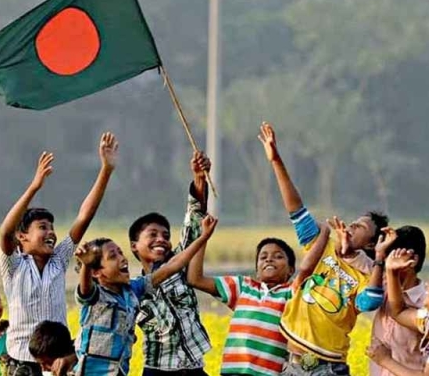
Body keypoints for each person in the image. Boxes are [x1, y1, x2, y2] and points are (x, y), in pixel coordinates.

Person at [257, 121, 384, 375]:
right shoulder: (322, 246)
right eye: (352, 222)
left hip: (328, 368)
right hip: (293, 365)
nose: (350, 226)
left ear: (371, 243)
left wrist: (375, 257)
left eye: (360, 227)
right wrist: (276, 160)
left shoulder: (368, 275)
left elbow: (369, 302)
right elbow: (296, 209)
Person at [0, 132, 117, 376]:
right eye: (42, 228)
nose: (51, 233)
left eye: (52, 227)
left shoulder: (58, 261)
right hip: (22, 360)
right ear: (22, 236)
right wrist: (35, 186)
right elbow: (6, 231)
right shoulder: (15, 265)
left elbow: (84, 217)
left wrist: (106, 170)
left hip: (58, 361)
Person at [72, 215, 218, 376]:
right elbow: (85, 290)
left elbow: (172, 266)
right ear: (96, 272)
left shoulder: (133, 290)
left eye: (121, 253)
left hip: (118, 371)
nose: (122, 259)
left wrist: (203, 237)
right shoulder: (96, 297)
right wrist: (86, 265)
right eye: (113, 256)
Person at [187, 228, 330, 375]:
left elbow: (306, 269)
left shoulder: (291, 294)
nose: (269, 259)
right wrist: (203, 238)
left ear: (291, 270)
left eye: (278, 256)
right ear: (257, 271)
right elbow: (195, 279)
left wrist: (324, 234)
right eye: (263, 257)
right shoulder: (243, 287)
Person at [127, 151, 212, 376]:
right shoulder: (133, 288)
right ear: (134, 246)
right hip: (158, 370)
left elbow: (194, 223)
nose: (161, 240)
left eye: (166, 236)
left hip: (194, 370)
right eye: (152, 235)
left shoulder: (179, 265)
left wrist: (199, 177)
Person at [367, 226, 428, 376]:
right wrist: (379, 255)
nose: (388, 263)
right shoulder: (381, 284)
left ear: (413, 260)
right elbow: (355, 259)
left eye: (394, 256)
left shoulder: (427, 302)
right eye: (387, 258)